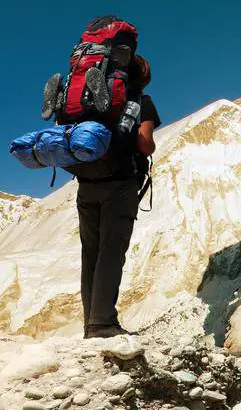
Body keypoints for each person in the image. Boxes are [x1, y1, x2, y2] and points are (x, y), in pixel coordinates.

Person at [78, 54, 161, 339]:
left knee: (90, 253)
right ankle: (102, 324)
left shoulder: (94, 103)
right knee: (111, 252)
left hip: (87, 182)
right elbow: (145, 144)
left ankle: (91, 322)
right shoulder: (142, 102)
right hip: (120, 184)